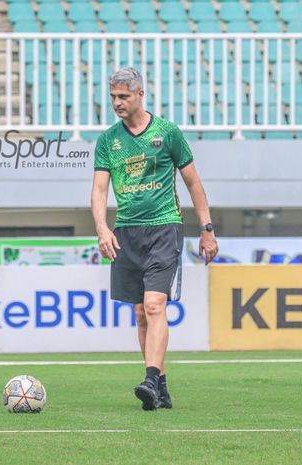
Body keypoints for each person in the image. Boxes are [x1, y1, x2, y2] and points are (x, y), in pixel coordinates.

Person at [91, 67, 219, 411]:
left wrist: (207, 229)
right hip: (127, 231)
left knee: (153, 304)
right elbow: (100, 189)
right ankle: (160, 385)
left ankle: (149, 378)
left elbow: (193, 183)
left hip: (164, 226)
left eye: (123, 97)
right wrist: (103, 228)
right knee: (140, 313)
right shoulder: (108, 141)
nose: (116, 103)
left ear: (140, 94)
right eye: (113, 96)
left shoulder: (167, 132)